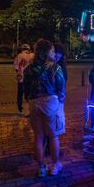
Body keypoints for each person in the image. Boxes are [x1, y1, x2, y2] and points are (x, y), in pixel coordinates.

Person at [24, 39, 66, 177]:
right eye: (52, 51)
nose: (54, 53)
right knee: (53, 136)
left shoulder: (30, 68)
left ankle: (41, 168)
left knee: (38, 137)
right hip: (50, 102)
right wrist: (60, 100)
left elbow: (26, 88)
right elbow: (61, 88)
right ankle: (55, 165)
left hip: (34, 103)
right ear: (46, 52)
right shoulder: (55, 67)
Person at [14, 44, 34, 113]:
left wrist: (18, 73)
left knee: (20, 93)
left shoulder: (19, 56)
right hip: (31, 78)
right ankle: (30, 108)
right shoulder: (33, 55)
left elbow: (16, 67)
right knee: (30, 93)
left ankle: (20, 107)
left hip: (21, 78)